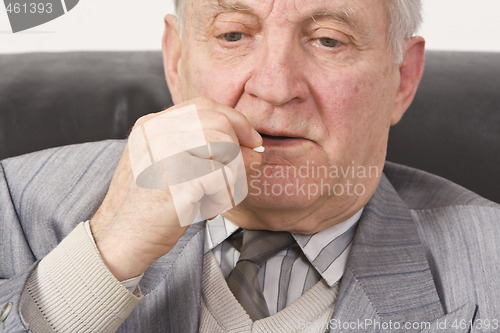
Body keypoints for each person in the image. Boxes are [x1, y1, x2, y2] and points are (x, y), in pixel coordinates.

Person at [1, 0, 499, 332]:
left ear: (403, 79)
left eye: (328, 40)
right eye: (234, 34)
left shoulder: (489, 263)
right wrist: (104, 258)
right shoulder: (13, 205)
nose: (275, 87)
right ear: (176, 61)